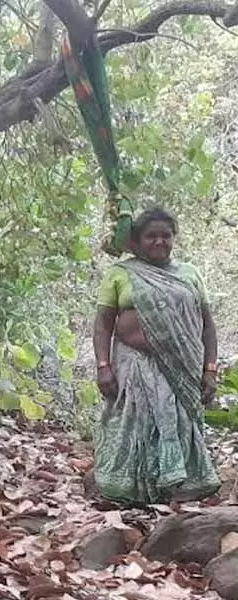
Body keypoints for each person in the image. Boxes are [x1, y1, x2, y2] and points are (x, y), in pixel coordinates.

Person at [93, 208, 220, 504]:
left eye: (166, 235)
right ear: (137, 240)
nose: (159, 242)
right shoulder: (121, 273)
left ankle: (178, 490)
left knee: (179, 421)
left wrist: (210, 369)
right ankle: (131, 494)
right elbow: (103, 324)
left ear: (175, 238)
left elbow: (207, 325)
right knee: (133, 423)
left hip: (183, 366)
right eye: (151, 236)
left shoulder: (190, 274)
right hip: (133, 364)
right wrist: (103, 366)